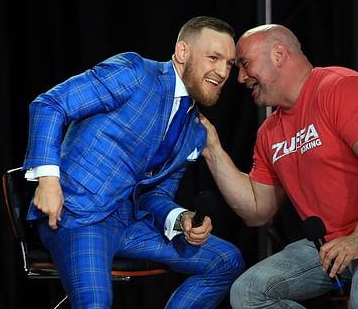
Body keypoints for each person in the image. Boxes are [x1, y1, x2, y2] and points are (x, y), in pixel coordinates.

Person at [201, 24, 358, 309]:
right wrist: (212, 150)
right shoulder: (269, 131)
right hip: (330, 246)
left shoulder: (340, 87)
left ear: (279, 54)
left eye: (245, 64)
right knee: (248, 293)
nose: (240, 77)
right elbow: (257, 210)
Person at [22, 16, 244, 309]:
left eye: (229, 63)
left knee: (226, 261)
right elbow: (50, 104)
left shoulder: (194, 130)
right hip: (77, 215)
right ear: (182, 52)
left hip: (128, 225)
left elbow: (155, 194)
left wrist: (180, 218)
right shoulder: (135, 72)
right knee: (95, 303)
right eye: (214, 57)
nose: (222, 71)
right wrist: (48, 180)